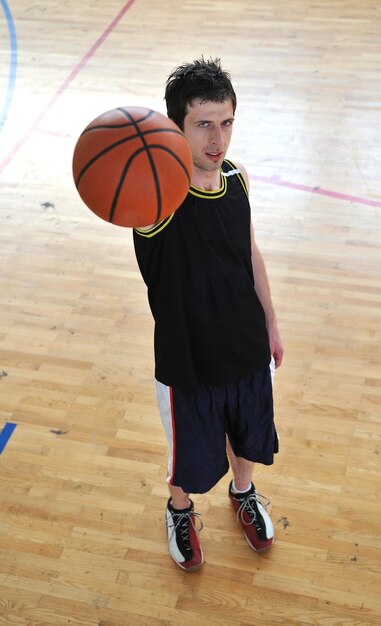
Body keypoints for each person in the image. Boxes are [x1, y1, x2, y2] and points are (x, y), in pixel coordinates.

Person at [133, 57, 284, 571]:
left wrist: (271, 323)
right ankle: (179, 510)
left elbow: (250, 253)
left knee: (247, 434)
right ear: (176, 127)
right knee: (189, 453)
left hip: (244, 344)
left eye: (226, 122)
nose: (217, 138)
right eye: (202, 124)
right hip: (187, 359)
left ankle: (243, 493)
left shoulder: (237, 179)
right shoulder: (154, 200)